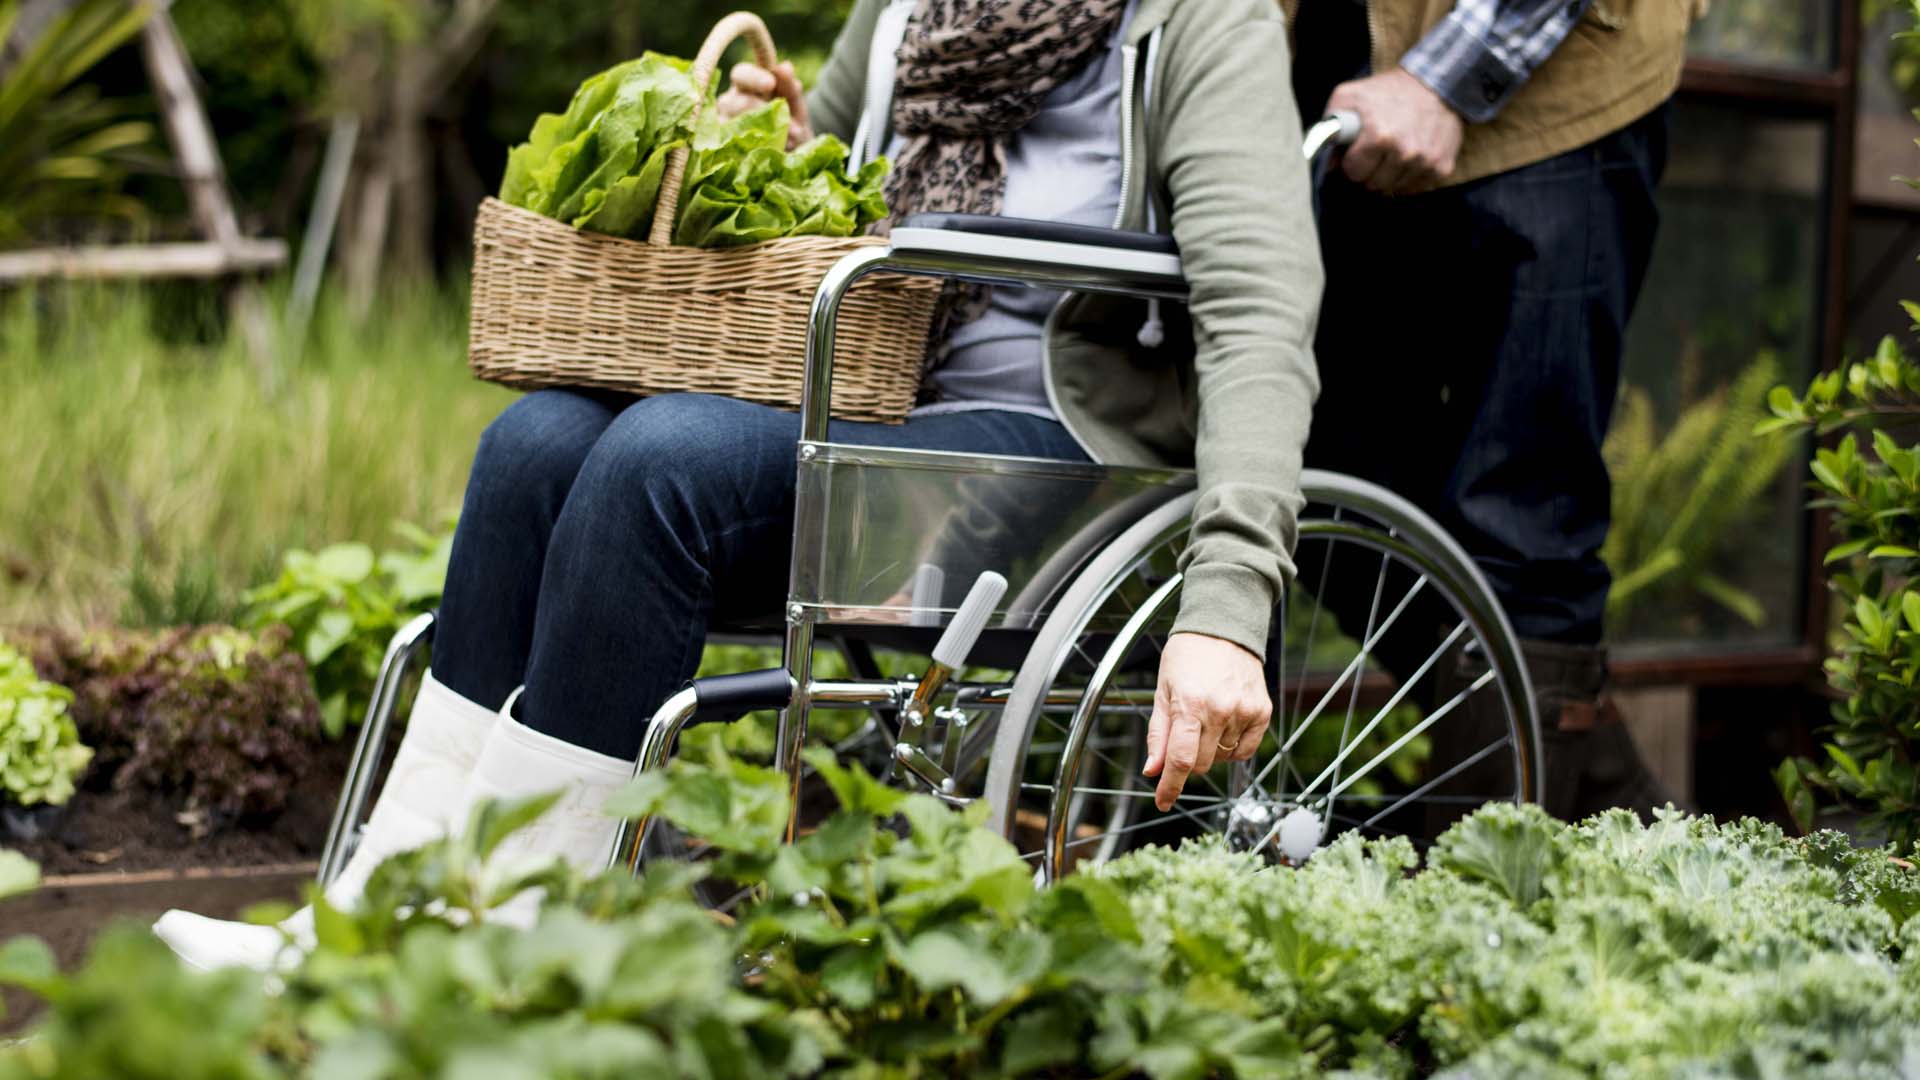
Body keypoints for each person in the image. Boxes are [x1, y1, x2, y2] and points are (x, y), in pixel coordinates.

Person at [153, 0, 1325, 971]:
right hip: (865, 403)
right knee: (534, 443)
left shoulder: (1194, 21)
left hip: (1050, 449)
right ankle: (374, 922)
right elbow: (841, 163)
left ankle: (523, 958)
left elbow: (1257, 315)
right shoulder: (917, 8)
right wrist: (768, 137)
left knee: (662, 464)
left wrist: (1229, 604)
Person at [1288, 0, 1697, 819]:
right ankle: (1618, 809)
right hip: (1338, 98)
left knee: (1522, 518)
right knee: (1310, 464)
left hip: (1554, 94)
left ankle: (1485, 910)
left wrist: (1442, 82)